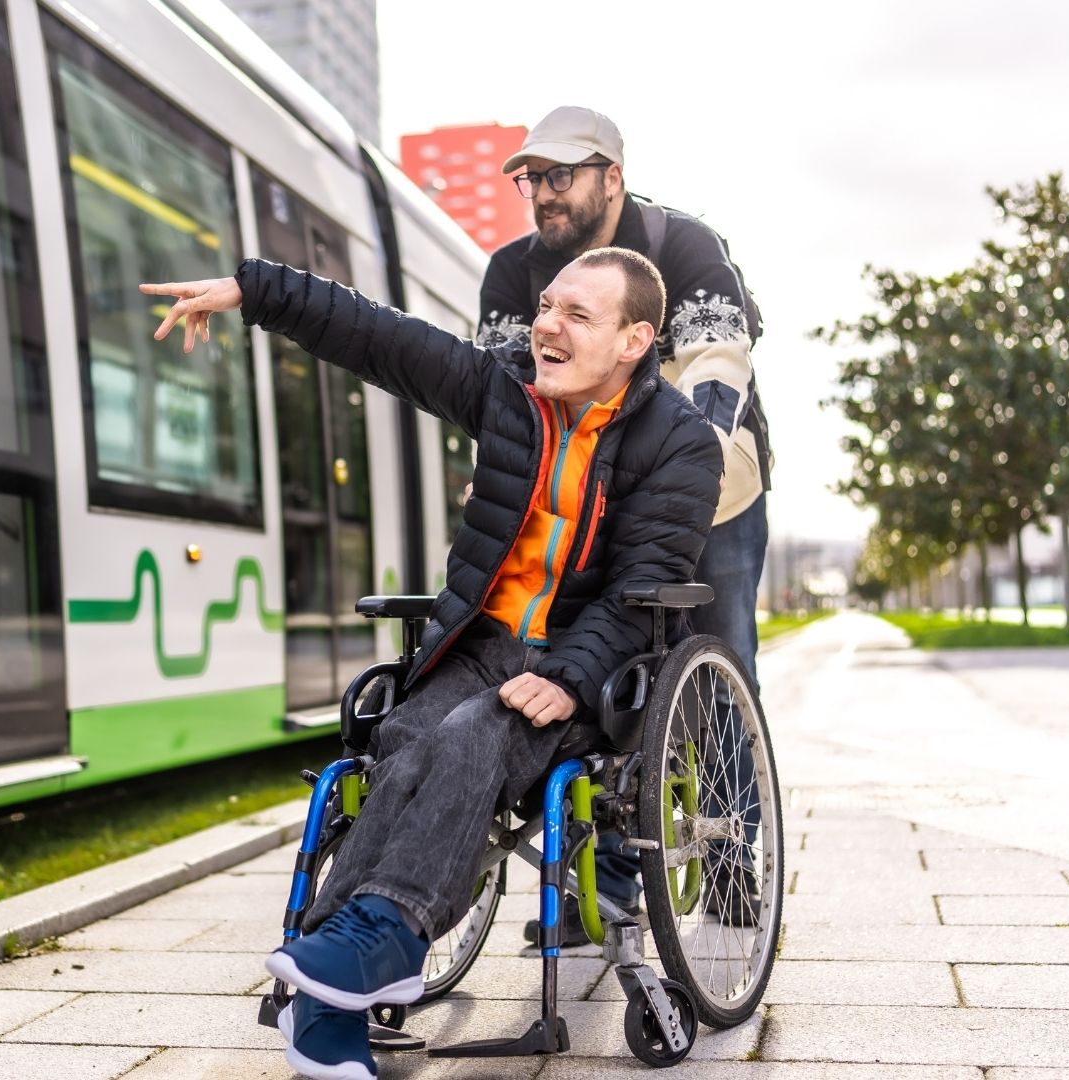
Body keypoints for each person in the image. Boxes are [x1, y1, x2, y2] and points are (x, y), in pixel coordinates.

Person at [140, 248, 721, 1080]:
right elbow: (383, 339)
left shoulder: (682, 445)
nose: (547, 326)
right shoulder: (508, 389)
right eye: (547, 306)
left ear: (634, 341)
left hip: (588, 668)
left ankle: (375, 942)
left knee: (476, 732)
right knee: (407, 732)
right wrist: (255, 291)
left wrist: (567, 677)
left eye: (576, 317)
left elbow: (644, 588)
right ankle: (343, 976)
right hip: (481, 643)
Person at [480, 106, 772, 928]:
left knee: (720, 669)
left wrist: (688, 466)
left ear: (613, 176)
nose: (543, 194)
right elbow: (504, 396)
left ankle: (727, 854)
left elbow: (718, 365)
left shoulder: (685, 246)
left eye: (560, 175)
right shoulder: (512, 274)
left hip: (715, 492)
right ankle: (604, 880)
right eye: (531, 178)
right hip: (583, 500)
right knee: (597, 666)